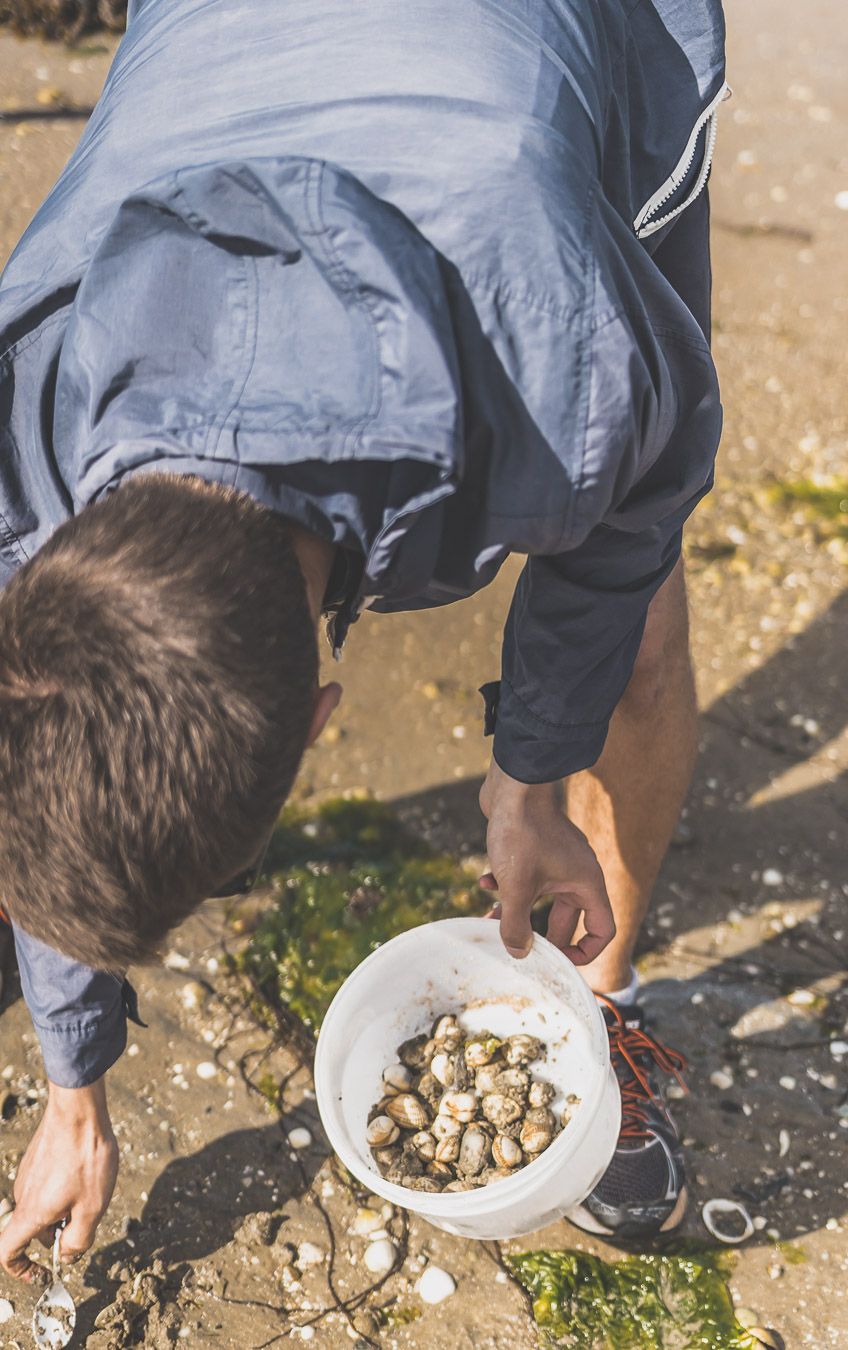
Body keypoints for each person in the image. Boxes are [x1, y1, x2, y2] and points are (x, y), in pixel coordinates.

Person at [0, 0, 727, 1281]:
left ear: (321, 720)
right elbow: (53, 758)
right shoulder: (24, 415)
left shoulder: (566, 371)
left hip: (530, 97)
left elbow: (648, 491)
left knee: (637, 639)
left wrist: (532, 773)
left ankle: (593, 1018)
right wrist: (73, 1084)